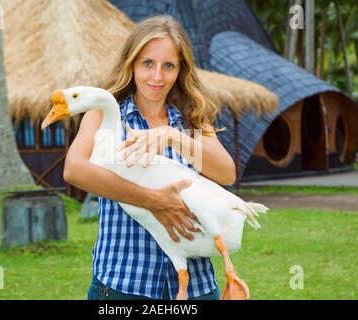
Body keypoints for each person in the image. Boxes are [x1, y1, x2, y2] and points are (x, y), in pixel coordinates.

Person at [63, 15, 236, 300]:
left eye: (168, 66)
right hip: (122, 283)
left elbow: (227, 173)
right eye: (147, 63)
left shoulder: (192, 118)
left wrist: (172, 136)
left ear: (180, 70)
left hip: (194, 286)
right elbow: (74, 169)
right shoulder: (105, 113)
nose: (157, 76)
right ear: (131, 63)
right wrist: (152, 201)